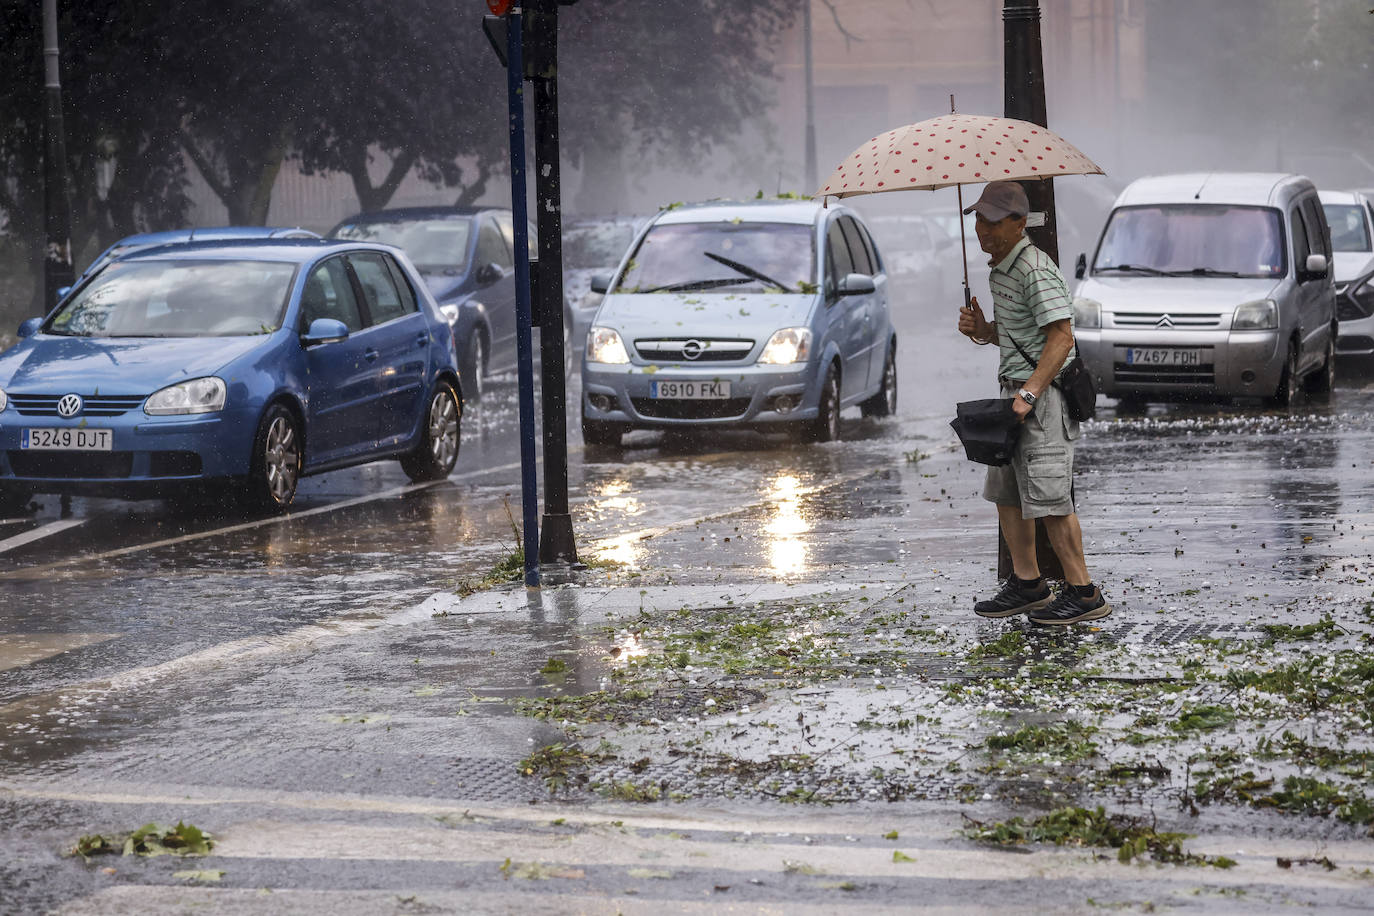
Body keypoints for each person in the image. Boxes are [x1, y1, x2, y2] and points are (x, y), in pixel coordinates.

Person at [955, 181, 1110, 625]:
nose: (982, 229)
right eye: (979, 219)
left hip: (1042, 400)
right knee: (1006, 493)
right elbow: (1022, 335)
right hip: (1016, 396)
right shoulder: (1000, 269)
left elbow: (1062, 338)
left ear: (1019, 222)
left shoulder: (1033, 268)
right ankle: (1029, 584)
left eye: (992, 220)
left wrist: (1028, 393)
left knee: (1051, 499)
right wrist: (984, 329)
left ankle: (1084, 592)